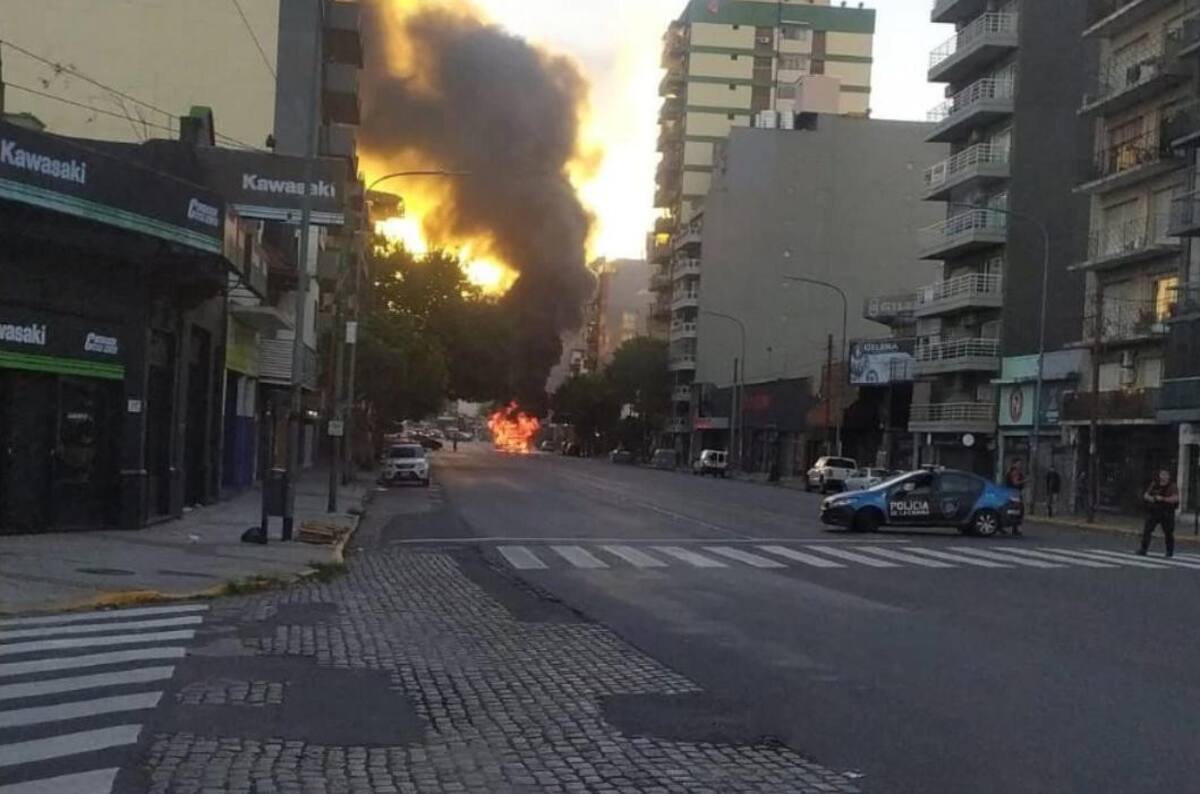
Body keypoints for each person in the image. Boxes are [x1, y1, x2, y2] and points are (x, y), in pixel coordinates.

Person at [1138, 469, 1179, 558]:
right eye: (1162, 474)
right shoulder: (1154, 484)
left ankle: (1169, 551)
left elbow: (1175, 498)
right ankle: (1143, 549)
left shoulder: (1172, 486)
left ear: (1169, 476)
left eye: (1165, 475)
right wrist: (1151, 498)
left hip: (1167, 511)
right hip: (1154, 511)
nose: (1163, 477)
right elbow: (1146, 495)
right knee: (1147, 530)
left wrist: (1163, 499)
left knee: (1168, 532)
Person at [1003, 458, 1026, 536]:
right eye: (1018, 464)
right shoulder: (1014, 472)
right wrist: (1025, 481)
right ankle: (1014, 528)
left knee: (1014, 510)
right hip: (1014, 493)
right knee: (1017, 510)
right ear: (1014, 464)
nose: (1020, 465)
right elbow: (1015, 483)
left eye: (1020, 464)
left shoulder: (1010, 471)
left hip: (1012, 493)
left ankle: (1014, 528)